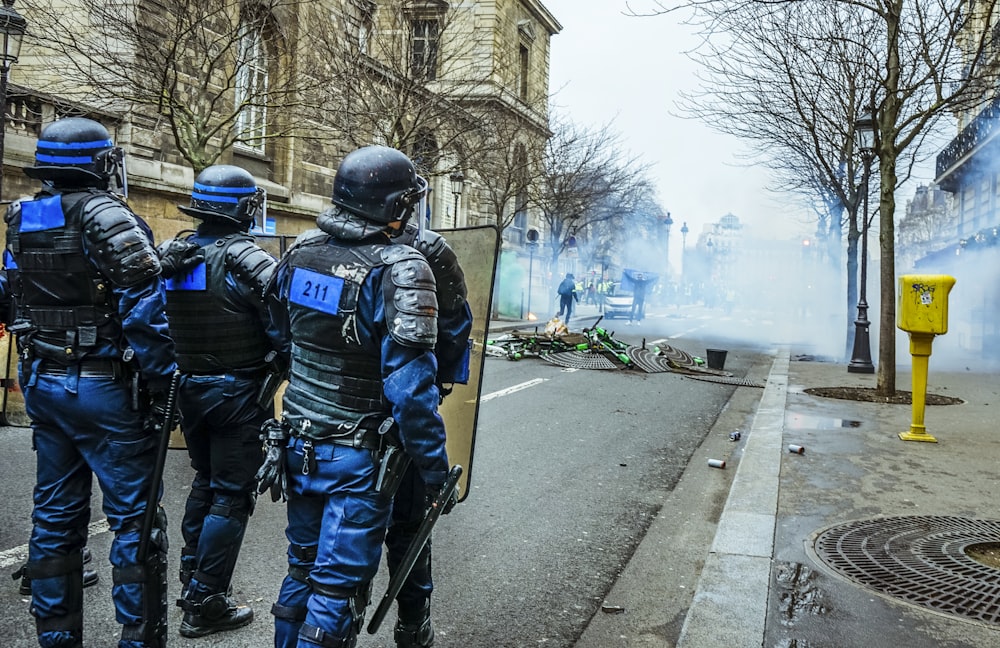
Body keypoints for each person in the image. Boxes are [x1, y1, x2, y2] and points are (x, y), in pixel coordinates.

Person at [258, 145, 451, 648]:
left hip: (297, 443)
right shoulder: (401, 268)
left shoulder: (301, 252)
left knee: (301, 570)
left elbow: (280, 338)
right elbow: (412, 394)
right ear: (395, 207)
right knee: (334, 589)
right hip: (356, 455)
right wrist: (435, 473)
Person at [3, 116, 177, 648]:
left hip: (44, 381)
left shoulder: (21, 215)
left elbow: (13, 293)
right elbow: (147, 315)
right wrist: (166, 383)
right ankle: (138, 640)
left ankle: (56, 640)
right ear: (101, 163)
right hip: (105, 386)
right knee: (135, 522)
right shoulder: (109, 214)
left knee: (55, 515)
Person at [157, 165, 284, 637]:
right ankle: (206, 601)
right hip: (238, 393)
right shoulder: (245, 258)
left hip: (190, 387)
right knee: (231, 495)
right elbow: (284, 322)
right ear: (244, 209)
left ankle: (193, 580)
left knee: (206, 483)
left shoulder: (179, 254)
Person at [388, 221, 473, 647]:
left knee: (312, 553)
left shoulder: (313, 250)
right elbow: (456, 324)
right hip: (388, 429)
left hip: (320, 423)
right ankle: (412, 624)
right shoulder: (424, 253)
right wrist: (440, 382)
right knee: (408, 525)